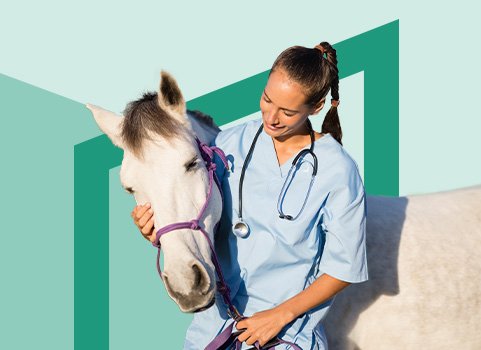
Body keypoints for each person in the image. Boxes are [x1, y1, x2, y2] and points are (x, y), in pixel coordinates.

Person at [132, 41, 368, 349]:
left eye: (287, 111)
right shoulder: (227, 145)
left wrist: (278, 316)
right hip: (215, 331)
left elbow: (344, 268)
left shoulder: (337, 169)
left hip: (284, 335)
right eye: (267, 100)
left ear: (316, 107)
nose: (271, 117)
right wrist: (155, 228)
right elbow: (194, 213)